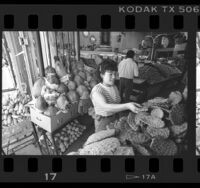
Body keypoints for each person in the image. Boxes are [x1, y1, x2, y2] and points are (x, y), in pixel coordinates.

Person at [90, 59, 143, 132]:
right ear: (102, 75)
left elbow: (116, 103)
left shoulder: (114, 87)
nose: (114, 77)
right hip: (103, 121)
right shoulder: (97, 91)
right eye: (110, 74)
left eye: (115, 74)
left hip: (115, 119)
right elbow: (106, 107)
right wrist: (127, 106)